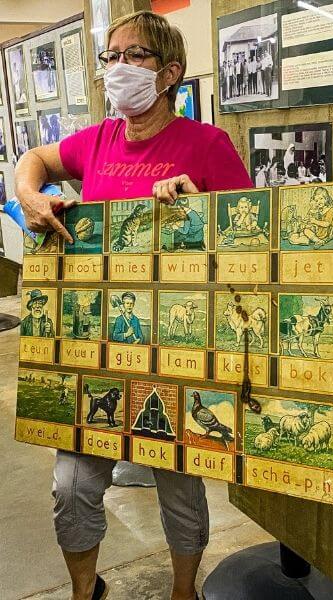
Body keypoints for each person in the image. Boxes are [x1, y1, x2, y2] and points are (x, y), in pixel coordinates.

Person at [15, 11, 252, 600]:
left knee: (177, 483)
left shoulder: (208, 144)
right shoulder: (96, 140)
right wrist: (28, 195)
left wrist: (200, 207)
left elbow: (252, 239)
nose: (118, 68)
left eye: (134, 55)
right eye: (111, 56)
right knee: (71, 484)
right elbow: (36, 161)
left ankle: (181, 591)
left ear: (169, 72)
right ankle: (83, 591)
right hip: (94, 346)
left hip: (176, 344)